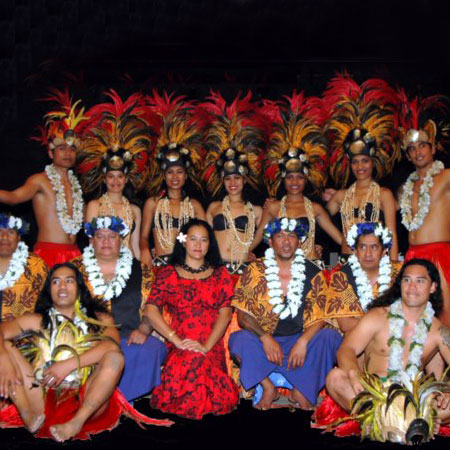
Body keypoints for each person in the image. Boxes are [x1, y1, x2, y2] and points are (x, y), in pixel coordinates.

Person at [0, 263, 172, 442]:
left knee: (115, 357)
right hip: (41, 396)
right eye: (56, 282)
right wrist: (3, 358)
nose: (63, 287)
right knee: (4, 346)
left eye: (69, 281)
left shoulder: (100, 318)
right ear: (48, 289)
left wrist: (68, 365)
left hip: (85, 398)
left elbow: (112, 346)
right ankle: (28, 413)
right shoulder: (34, 320)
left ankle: (76, 423)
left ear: (79, 287)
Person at [323, 259, 450, 443]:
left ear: (433, 287)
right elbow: (347, 348)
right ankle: (409, 423)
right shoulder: (377, 316)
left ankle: (397, 424)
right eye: (407, 280)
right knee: (335, 378)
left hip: (414, 399)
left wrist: (447, 392)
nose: (412, 287)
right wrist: (353, 373)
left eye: (420, 281)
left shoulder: (438, 330)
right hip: (374, 396)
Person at [229, 217, 342, 410]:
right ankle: (267, 387)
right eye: (280, 236)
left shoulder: (313, 271)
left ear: (299, 241)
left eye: (292, 236)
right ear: (270, 242)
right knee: (238, 340)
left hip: (299, 341)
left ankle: (302, 389)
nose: (286, 241)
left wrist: (303, 341)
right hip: (263, 342)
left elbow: (322, 315)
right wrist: (265, 338)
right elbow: (243, 315)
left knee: (330, 337)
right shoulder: (255, 270)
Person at [143, 219, 239, 419]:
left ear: (209, 244)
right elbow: (151, 310)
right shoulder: (168, 273)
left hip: (211, 344)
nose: (198, 245)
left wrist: (205, 346)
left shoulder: (220, 274)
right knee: (189, 358)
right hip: (180, 343)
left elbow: (226, 313)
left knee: (200, 360)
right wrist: (176, 340)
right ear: (183, 242)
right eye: (193, 239)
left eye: (203, 240)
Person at [71, 216, 167, 402]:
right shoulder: (74, 269)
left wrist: (143, 329)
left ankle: (123, 403)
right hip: (86, 339)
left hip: (131, 338)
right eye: (100, 236)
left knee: (152, 348)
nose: (106, 241)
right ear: (91, 240)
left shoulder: (141, 270)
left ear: (120, 240)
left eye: (112, 236)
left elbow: (152, 307)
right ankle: (98, 404)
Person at [0, 91, 86, 267]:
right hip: (47, 253)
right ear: (50, 152)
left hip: (75, 254)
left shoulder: (77, 186)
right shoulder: (40, 180)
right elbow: (13, 198)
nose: (68, 153)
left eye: (72, 149)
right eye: (61, 148)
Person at [254, 92, 342, 263]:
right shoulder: (273, 208)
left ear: (306, 179)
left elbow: (339, 238)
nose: (294, 182)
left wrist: (357, 254)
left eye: (299, 177)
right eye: (290, 177)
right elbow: (259, 239)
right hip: (280, 270)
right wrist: (242, 256)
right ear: (283, 179)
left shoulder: (315, 208)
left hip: (311, 267)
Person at [321, 74, 399, 260]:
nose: (360, 166)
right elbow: (315, 219)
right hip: (346, 260)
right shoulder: (341, 196)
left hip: (376, 262)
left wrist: (394, 267)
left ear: (373, 162)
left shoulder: (384, 194)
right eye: (355, 162)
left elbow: (392, 234)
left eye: (364, 161)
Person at [77, 90, 153, 259]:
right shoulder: (94, 206)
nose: (115, 181)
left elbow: (135, 245)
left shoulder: (134, 210)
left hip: (130, 267)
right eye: (111, 176)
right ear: (104, 179)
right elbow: (91, 243)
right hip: (103, 267)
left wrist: (140, 271)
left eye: (120, 176)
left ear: (126, 179)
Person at [396, 90, 450, 325]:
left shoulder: (446, 177)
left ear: (433, 148)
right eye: (412, 148)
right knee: (415, 321)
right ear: (408, 155)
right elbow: (378, 200)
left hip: (440, 254)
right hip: (412, 256)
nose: (418, 151)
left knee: (445, 317)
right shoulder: (405, 187)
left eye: (423, 146)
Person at [202, 91, 265, 277]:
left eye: (237, 178)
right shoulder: (213, 208)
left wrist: (250, 250)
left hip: (244, 270)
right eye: (228, 178)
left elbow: (266, 237)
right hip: (217, 270)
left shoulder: (258, 211)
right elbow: (205, 239)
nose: (233, 182)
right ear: (222, 181)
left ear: (244, 180)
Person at [140, 93, 206, 267]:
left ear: (186, 175)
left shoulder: (194, 206)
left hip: (187, 268)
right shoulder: (153, 204)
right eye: (170, 172)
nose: (175, 177)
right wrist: (145, 250)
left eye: (179, 172)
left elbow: (206, 238)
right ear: (164, 175)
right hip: (160, 267)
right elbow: (143, 237)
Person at [326, 222, 401, 333]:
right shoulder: (341, 277)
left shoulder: (400, 273)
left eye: (374, 247)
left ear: (384, 251)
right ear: (355, 251)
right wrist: (383, 324)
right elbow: (346, 324)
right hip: (353, 338)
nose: (368, 254)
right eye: (362, 247)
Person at [0, 213, 47, 322]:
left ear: (19, 237)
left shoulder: (36, 265)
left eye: (10, 232)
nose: (4, 237)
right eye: (0, 232)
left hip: (23, 335)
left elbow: (47, 304)